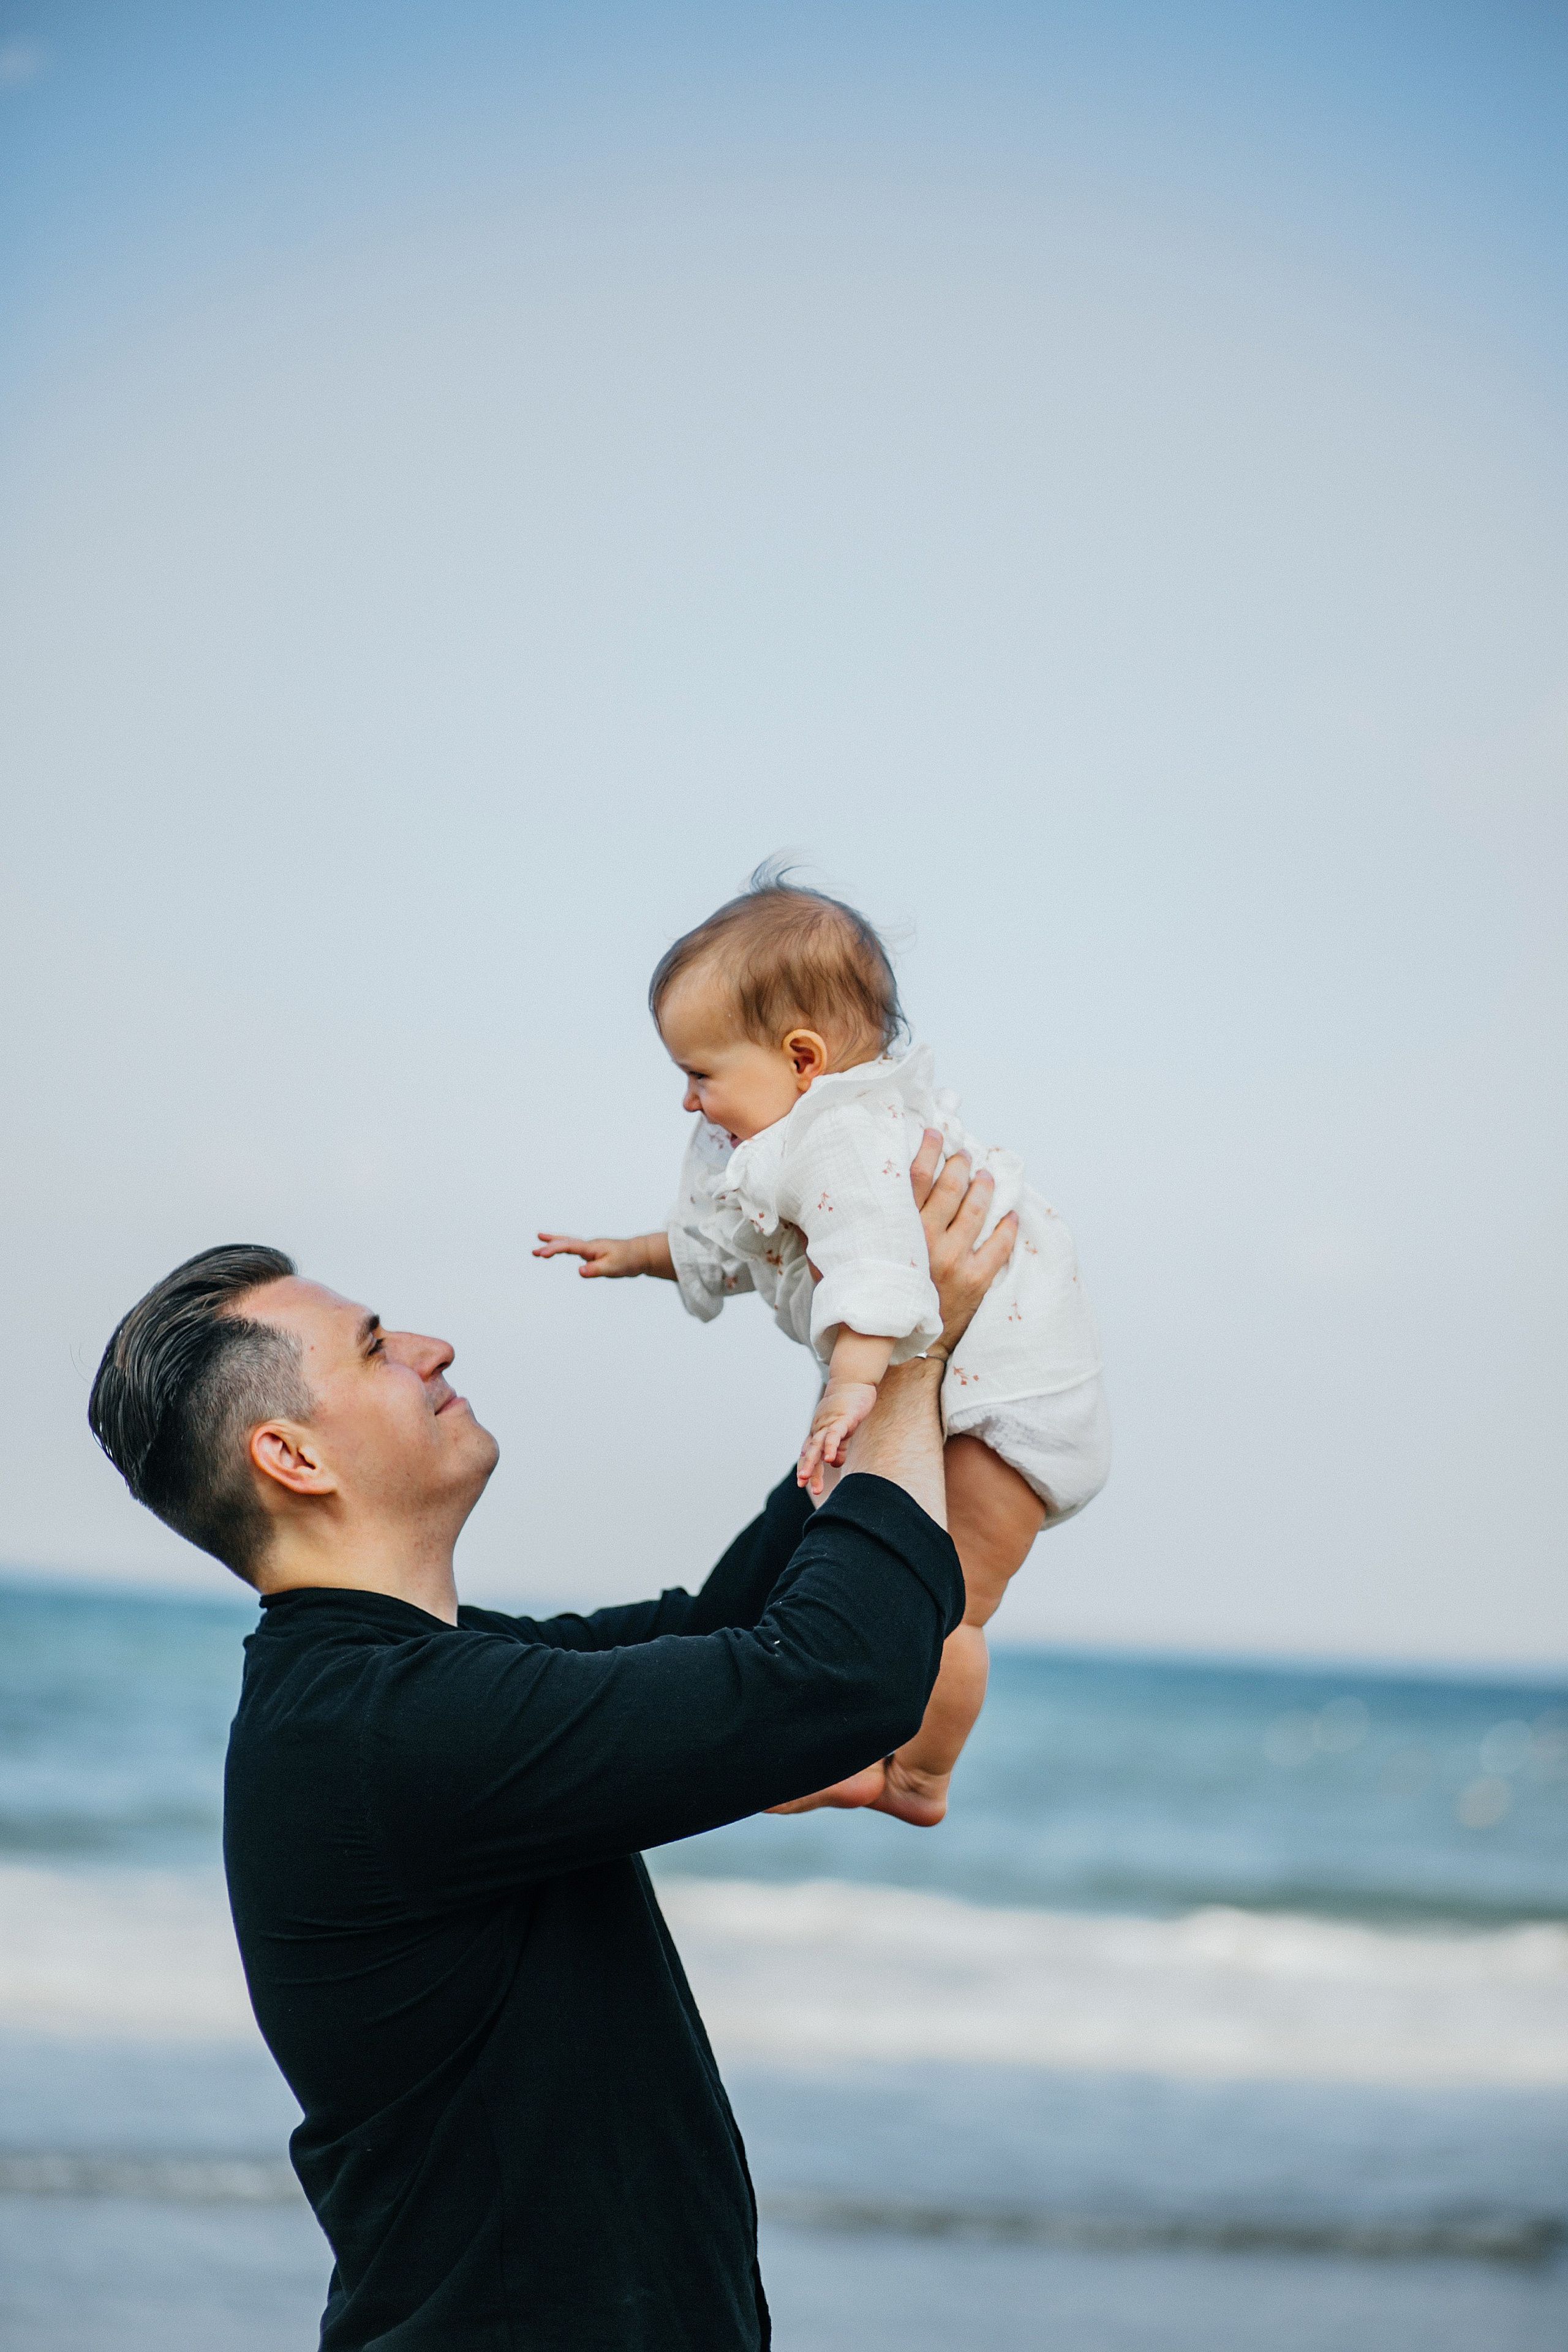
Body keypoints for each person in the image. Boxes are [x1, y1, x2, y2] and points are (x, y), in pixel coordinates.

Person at [87, 1140, 1012, 2352]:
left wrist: (863, 1348)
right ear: (292, 1458)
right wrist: (905, 1357)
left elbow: (723, 1634)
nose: (432, 1348)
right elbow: (835, 1680)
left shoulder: (406, 1683)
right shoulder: (384, 1729)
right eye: (375, 1346)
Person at [536, 869, 1110, 1826]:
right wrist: (636, 1253)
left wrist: (853, 1382)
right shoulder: (789, 1140)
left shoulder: (843, 1137)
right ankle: (844, 1750)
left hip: (1011, 1406)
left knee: (947, 1602)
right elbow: (727, 1242)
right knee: (858, 1576)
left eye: (702, 1073)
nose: (687, 1101)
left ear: (802, 1058)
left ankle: (918, 1779)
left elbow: (882, 1265)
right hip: (972, 1389)